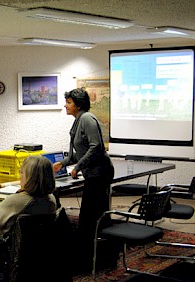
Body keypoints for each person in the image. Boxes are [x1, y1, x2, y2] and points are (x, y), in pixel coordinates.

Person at [53, 87, 115, 271]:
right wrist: (62, 164)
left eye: (69, 102)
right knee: (88, 217)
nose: (66, 105)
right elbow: (78, 152)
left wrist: (78, 167)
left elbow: (96, 147)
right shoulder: (77, 121)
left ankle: (93, 259)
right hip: (92, 174)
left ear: (78, 105)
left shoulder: (87, 119)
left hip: (99, 173)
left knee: (90, 218)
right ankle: (90, 255)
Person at [0, 155, 57, 264]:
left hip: (6, 253)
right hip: (40, 252)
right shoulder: (51, 199)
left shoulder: (16, 200)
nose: (19, 176)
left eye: (21, 172)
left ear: (30, 178)